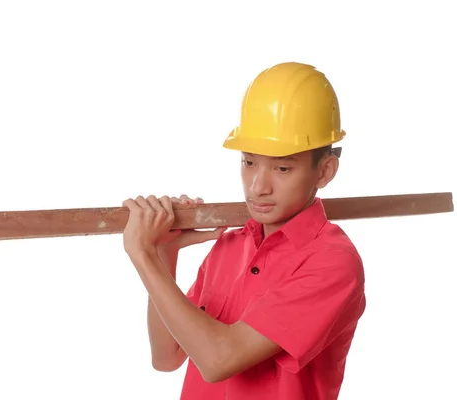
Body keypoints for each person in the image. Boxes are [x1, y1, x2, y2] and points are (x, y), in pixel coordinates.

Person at [121, 62, 366, 400]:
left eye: (281, 168)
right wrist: (164, 251)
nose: (257, 186)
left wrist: (142, 255)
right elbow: (166, 358)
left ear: (324, 171)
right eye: (249, 162)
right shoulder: (230, 246)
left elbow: (219, 359)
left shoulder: (332, 264)